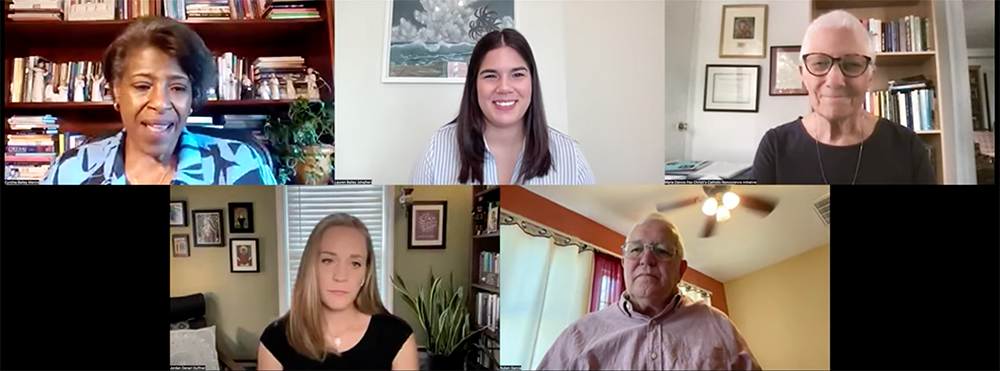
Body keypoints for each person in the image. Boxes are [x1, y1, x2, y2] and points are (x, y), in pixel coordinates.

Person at [41, 17, 276, 185]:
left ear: (192, 97)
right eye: (143, 86)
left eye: (177, 88)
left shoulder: (242, 165)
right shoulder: (69, 172)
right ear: (117, 92)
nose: (161, 103)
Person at [536, 214, 760, 370]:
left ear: (681, 270)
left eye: (661, 251)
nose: (646, 259)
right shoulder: (580, 335)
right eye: (636, 249)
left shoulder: (719, 327)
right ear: (624, 263)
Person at [752, 10, 936, 184]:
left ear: (870, 75)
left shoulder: (907, 147)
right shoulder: (775, 147)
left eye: (852, 64)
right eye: (819, 63)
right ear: (803, 75)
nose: (835, 80)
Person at [409, 28, 595, 185]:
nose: (504, 87)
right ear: (474, 85)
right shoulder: (436, 150)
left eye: (517, 75)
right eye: (490, 76)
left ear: (532, 81)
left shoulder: (571, 157)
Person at [257, 213, 419, 370]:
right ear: (311, 268)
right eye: (328, 260)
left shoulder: (397, 338)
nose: (341, 276)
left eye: (355, 263)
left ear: (366, 273)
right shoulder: (276, 340)